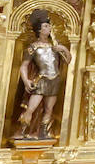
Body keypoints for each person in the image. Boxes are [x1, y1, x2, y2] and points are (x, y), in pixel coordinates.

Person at [16, 10, 71, 141]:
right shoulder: (33, 47)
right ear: (39, 30)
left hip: (55, 79)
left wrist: (64, 49)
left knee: (49, 109)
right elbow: (24, 65)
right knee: (31, 107)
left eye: (49, 26)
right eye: (45, 26)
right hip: (41, 79)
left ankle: (44, 131)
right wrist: (26, 80)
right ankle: (23, 130)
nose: (49, 28)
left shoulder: (55, 46)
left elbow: (68, 60)